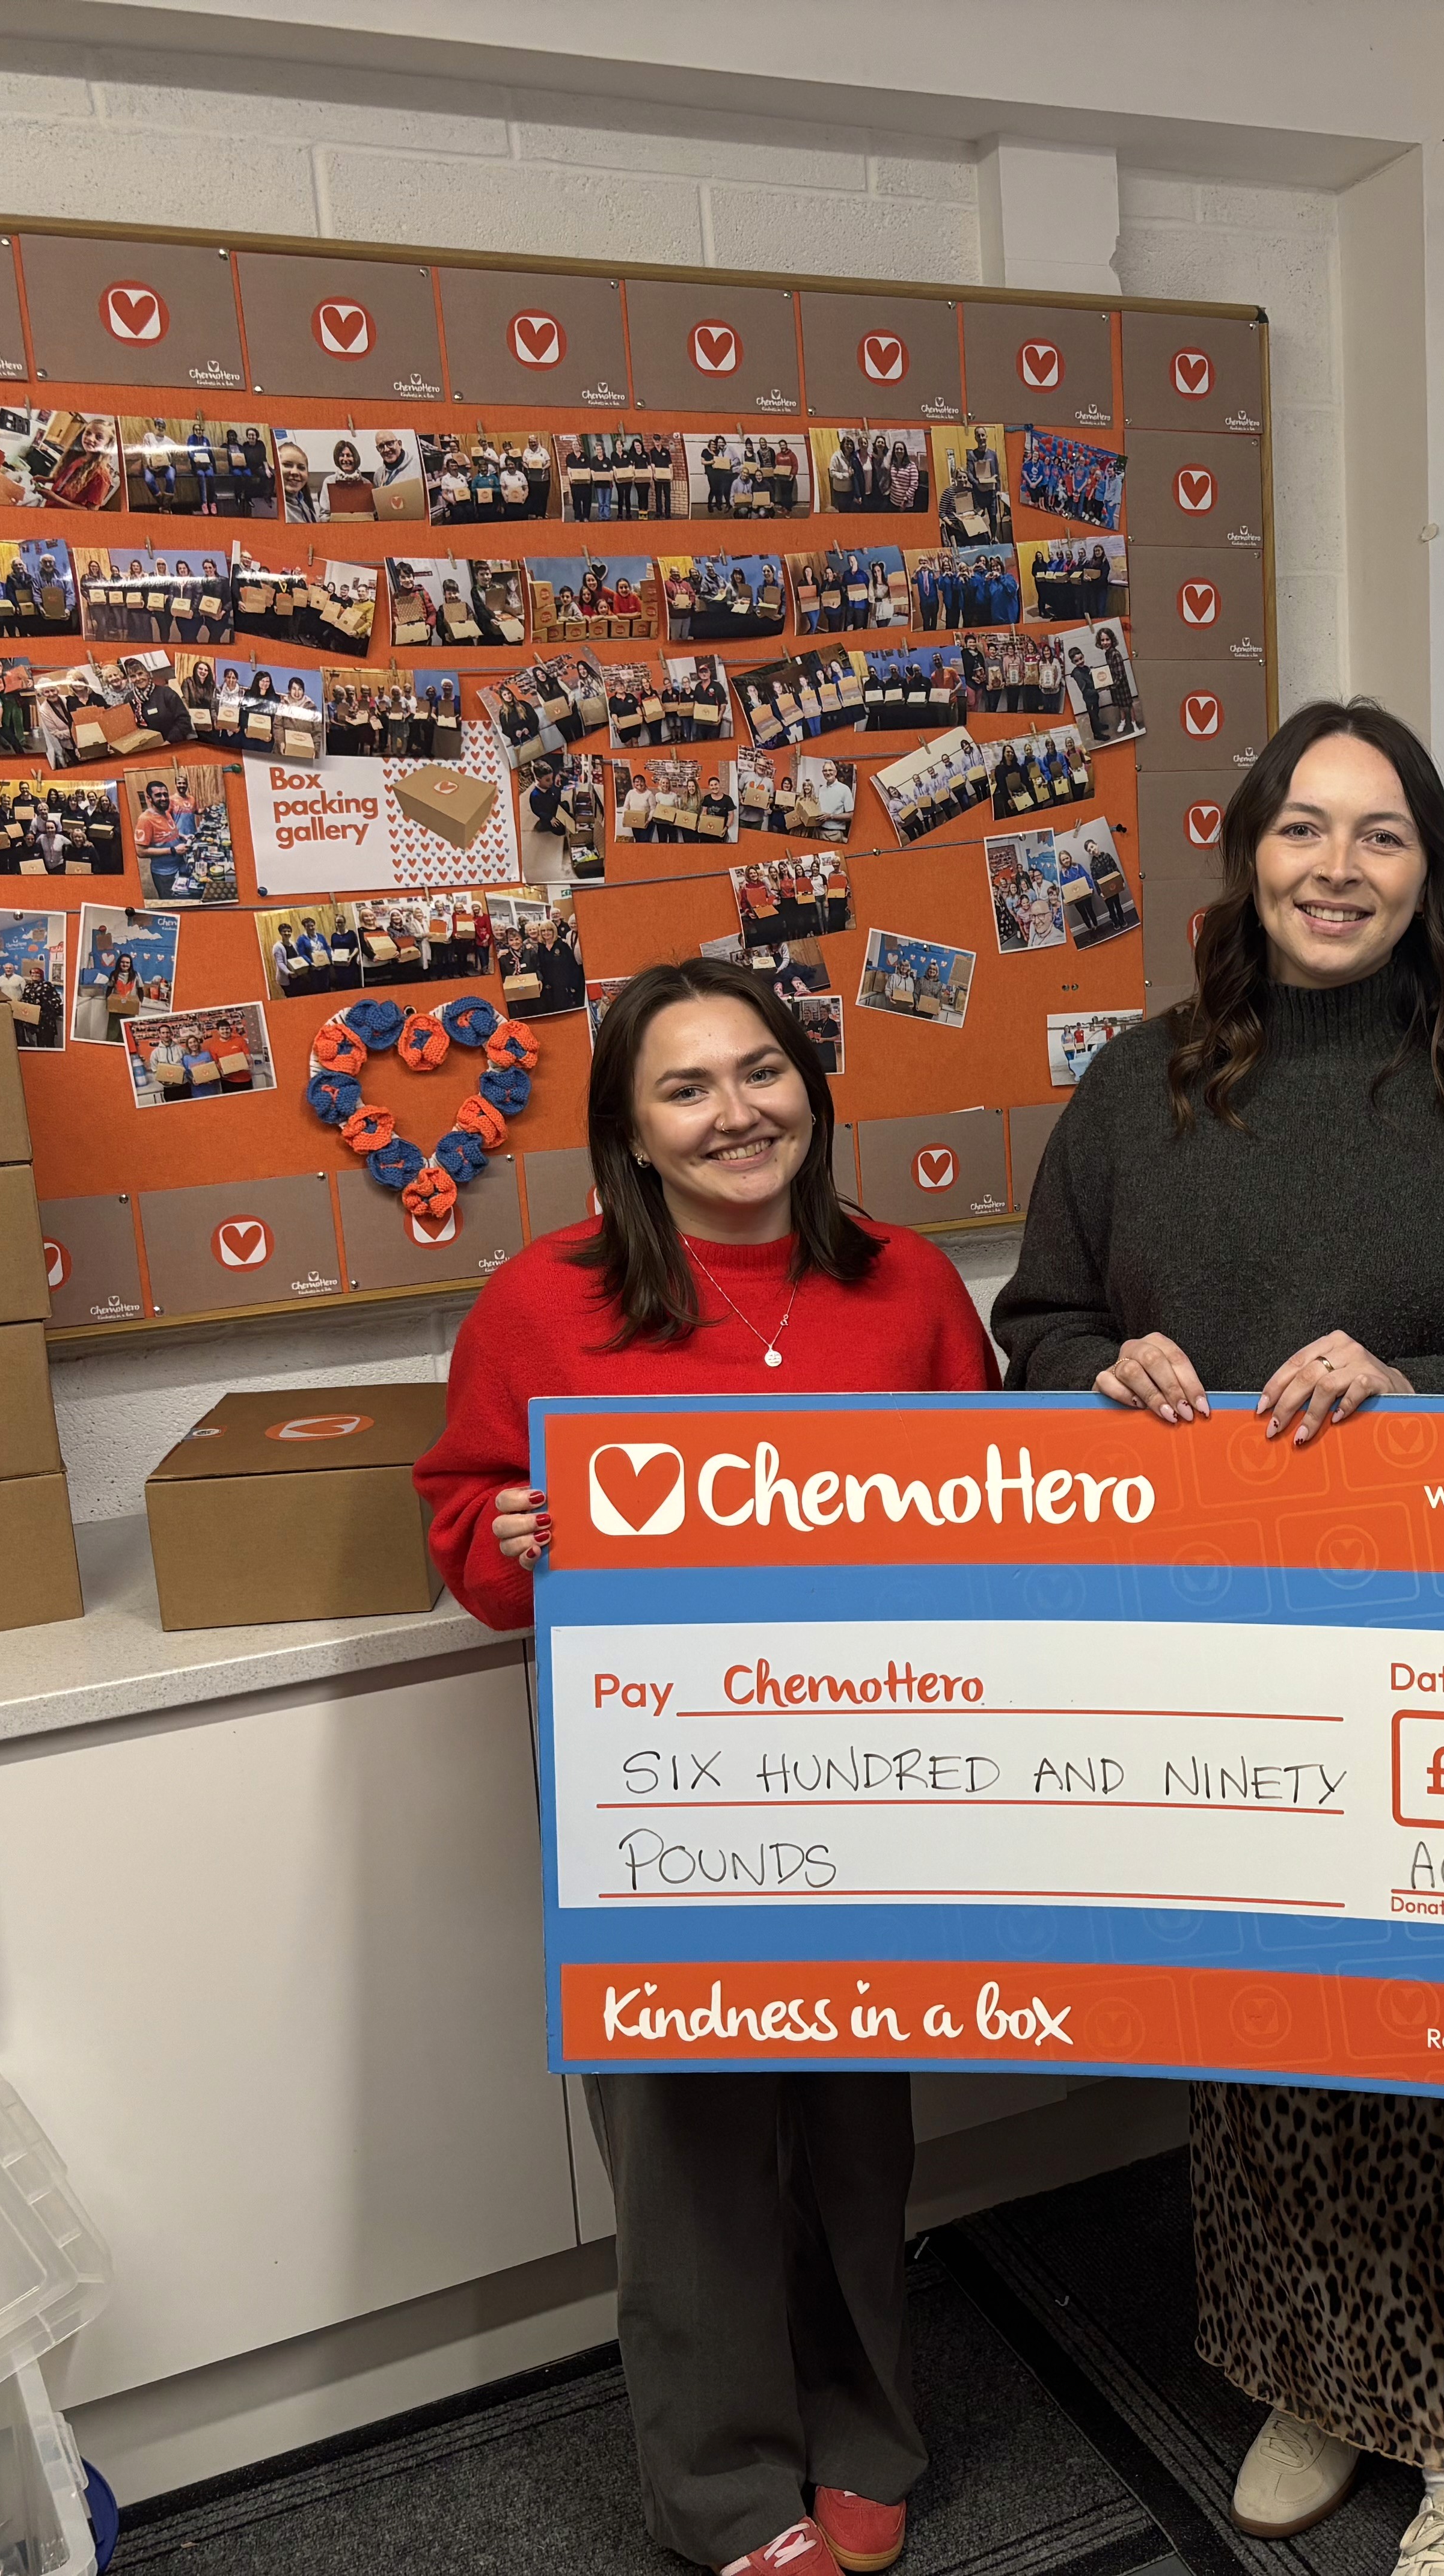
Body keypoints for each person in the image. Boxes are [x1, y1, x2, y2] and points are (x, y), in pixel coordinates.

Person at [994, 701, 1444, 2576]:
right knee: (1263, 2040)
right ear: (1249, 853)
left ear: (1430, 870)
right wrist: (1091, 1368)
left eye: (1381, 835)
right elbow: (1030, 1325)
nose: (1337, 868)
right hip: (1213, 1657)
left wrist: (1420, 1382)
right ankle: (1319, 2374)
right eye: (1304, 828)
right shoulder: (1142, 1087)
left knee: (1421, 2052)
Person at [417, 956, 996, 2576]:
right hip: (659, 1802)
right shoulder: (543, 1301)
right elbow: (465, 1530)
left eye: (764, 1070)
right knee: (688, 2140)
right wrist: (512, 1532)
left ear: (811, 1085)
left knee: (855, 2127)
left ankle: (866, 2432)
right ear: (630, 1130)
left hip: (866, 1781)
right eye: (686, 1087)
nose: (737, 1111)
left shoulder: (907, 1285)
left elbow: (998, 1511)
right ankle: (731, 2485)